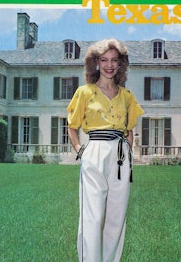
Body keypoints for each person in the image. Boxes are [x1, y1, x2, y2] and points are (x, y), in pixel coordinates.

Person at [67, 38, 144, 262]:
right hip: (95, 151)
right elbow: (72, 127)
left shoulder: (127, 96)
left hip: (120, 155)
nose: (109, 65)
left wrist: (128, 155)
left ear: (121, 64)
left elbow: (129, 131)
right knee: (93, 215)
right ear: (96, 63)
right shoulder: (85, 92)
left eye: (114, 60)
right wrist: (81, 151)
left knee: (116, 217)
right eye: (104, 60)